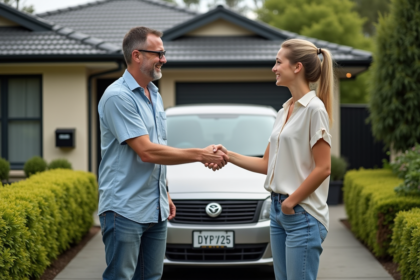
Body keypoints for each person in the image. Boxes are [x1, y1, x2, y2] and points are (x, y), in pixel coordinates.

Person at [97, 26, 228, 280]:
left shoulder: (154, 95)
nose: (164, 59)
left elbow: (158, 147)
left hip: (154, 208)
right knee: (120, 277)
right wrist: (201, 155)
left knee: (151, 277)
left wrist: (164, 192)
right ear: (137, 56)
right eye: (158, 53)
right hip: (124, 209)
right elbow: (146, 151)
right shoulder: (118, 97)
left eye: (163, 53)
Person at [209, 38, 333, 280]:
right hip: (279, 212)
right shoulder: (284, 111)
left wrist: (290, 203)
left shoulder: (314, 110)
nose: (274, 68)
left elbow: (324, 168)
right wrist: (229, 155)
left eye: (278, 62)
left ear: (297, 67)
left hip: (302, 214)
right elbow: (267, 164)